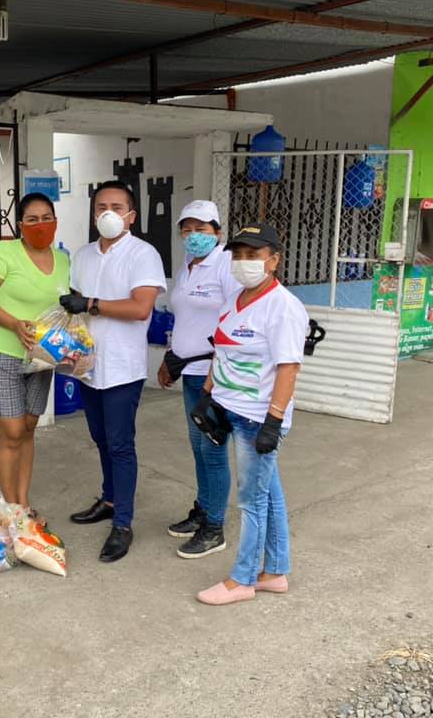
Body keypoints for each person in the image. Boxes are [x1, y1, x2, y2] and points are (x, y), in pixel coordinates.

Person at [194, 223, 308, 606]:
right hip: (231, 410)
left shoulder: (284, 307)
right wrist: (207, 395)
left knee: (251, 501)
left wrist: (273, 422)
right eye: (238, 255)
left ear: (273, 260)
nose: (244, 262)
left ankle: (242, 580)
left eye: (253, 255)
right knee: (268, 493)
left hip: (257, 419)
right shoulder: (234, 299)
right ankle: (275, 572)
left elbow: (288, 368)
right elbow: (221, 350)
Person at [61, 180, 166, 563]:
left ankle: (123, 523)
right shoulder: (83, 255)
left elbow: (140, 308)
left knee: (120, 444)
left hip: (123, 366)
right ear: (93, 214)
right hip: (88, 364)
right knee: (101, 438)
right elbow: (73, 306)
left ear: (131, 215)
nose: (108, 213)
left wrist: (90, 303)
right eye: (101, 207)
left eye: (117, 207)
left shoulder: (144, 254)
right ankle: (109, 500)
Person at [0, 193, 70, 513]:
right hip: (1, 352)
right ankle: (11, 509)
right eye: (32, 219)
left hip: (41, 357)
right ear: (20, 224)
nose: (41, 224)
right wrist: (14, 324)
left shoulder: (63, 260)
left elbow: (66, 306)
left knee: (28, 428)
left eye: (46, 218)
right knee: (12, 433)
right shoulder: (5, 253)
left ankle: (22, 504)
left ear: (55, 220)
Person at [157, 200, 240, 560]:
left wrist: (215, 371)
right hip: (189, 372)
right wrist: (171, 356)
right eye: (187, 229)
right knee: (198, 446)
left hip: (214, 375)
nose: (193, 235)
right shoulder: (188, 266)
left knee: (213, 448)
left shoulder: (226, 265)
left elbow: (234, 320)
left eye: (202, 229)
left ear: (217, 232)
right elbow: (186, 319)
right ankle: (203, 510)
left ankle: (215, 528)